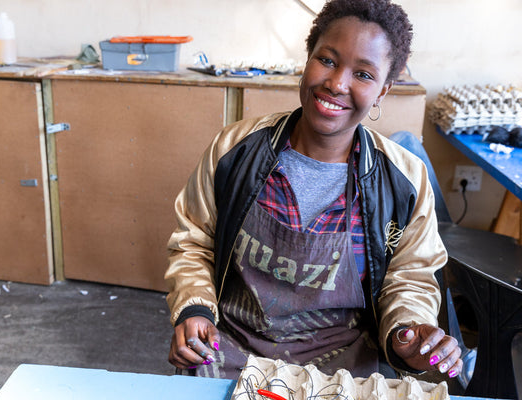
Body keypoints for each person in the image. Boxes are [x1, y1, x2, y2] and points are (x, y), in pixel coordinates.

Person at [165, 0, 463, 380]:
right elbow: (193, 241)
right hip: (231, 351)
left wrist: (406, 329)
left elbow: (410, 276)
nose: (337, 83)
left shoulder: (405, 180)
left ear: (383, 90)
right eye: (327, 60)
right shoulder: (234, 150)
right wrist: (194, 310)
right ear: (307, 59)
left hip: (345, 365)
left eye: (364, 75)